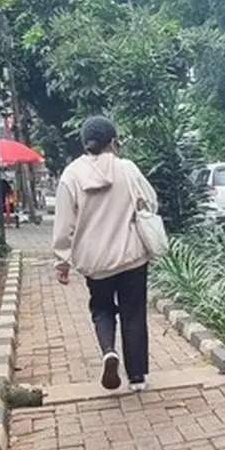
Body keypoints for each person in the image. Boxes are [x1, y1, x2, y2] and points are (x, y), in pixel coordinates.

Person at [52, 115, 160, 393]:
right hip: (131, 255)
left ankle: (109, 351)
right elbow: (150, 201)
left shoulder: (71, 175)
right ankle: (137, 378)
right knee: (134, 313)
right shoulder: (127, 168)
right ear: (113, 141)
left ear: (85, 143)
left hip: (95, 261)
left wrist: (61, 262)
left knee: (101, 309)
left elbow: (64, 223)